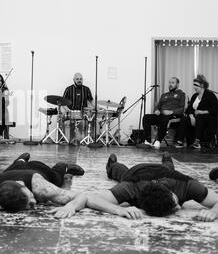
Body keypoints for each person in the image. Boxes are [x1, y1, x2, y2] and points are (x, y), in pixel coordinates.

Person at [0, 153, 86, 218]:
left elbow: (82, 196)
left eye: (30, 198)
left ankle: (64, 166)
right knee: (15, 167)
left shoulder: (42, 188)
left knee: (57, 175)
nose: (34, 203)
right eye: (30, 204)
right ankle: (20, 161)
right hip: (12, 171)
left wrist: (71, 206)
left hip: (40, 170)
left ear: (22, 185)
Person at [86, 153, 218, 221]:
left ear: (172, 192)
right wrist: (117, 209)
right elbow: (91, 197)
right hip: (137, 172)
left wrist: (213, 212)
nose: (179, 207)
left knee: (168, 169)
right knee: (120, 171)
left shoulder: (186, 184)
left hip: (165, 172)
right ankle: (112, 164)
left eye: (175, 204)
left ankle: (167, 160)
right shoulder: (132, 187)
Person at [174, 74, 218, 150]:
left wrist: (202, 112)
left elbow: (215, 109)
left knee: (200, 117)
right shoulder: (194, 96)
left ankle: (197, 142)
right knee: (185, 119)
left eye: (196, 85)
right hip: (195, 118)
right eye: (194, 85)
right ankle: (180, 141)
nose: (194, 87)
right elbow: (189, 109)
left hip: (208, 119)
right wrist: (191, 117)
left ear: (202, 85)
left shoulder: (210, 95)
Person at [141, 77, 185, 149]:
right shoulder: (164, 95)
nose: (170, 84)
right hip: (161, 115)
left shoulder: (181, 94)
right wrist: (156, 110)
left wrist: (171, 112)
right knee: (146, 117)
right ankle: (148, 141)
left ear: (177, 84)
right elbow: (157, 106)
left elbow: (181, 109)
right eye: (169, 82)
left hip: (172, 116)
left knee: (165, 118)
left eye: (173, 83)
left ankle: (158, 141)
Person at [62, 73, 93, 144]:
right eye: (77, 79)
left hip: (83, 113)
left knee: (89, 120)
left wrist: (96, 108)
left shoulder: (86, 89)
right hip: (70, 113)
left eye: (81, 79)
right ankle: (69, 140)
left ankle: (82, 140)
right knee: (65, 120)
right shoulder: (68, 89)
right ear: (73, 80)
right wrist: (68, 111)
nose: (79, 80)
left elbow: (91, 100)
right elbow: (63, 102)